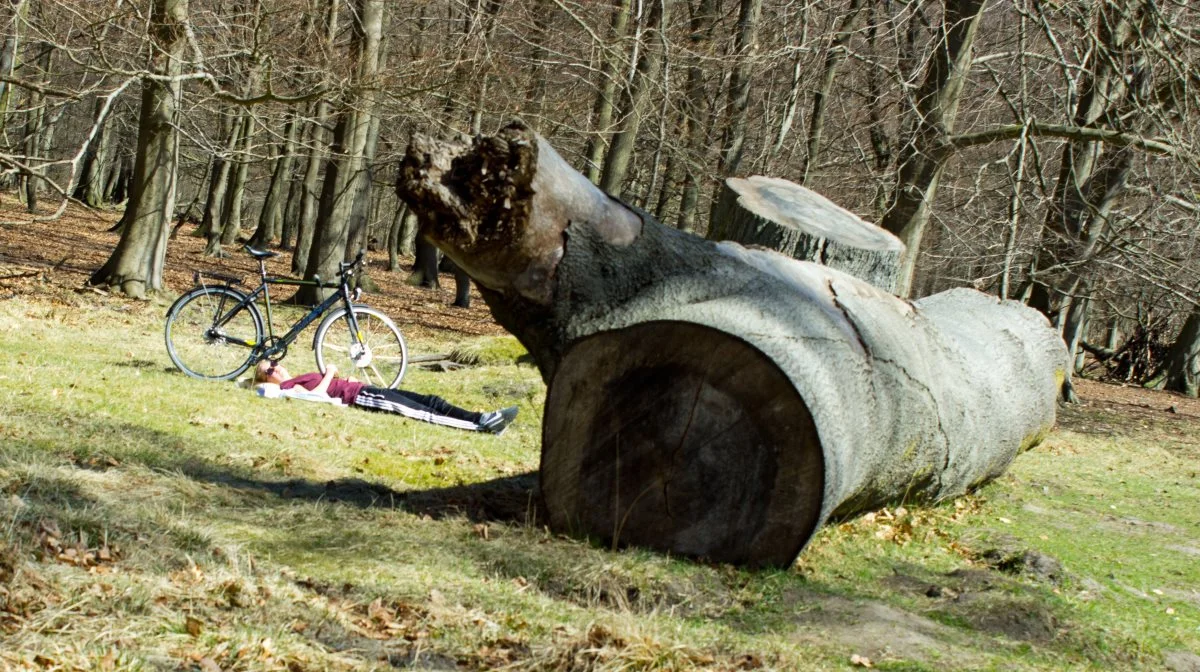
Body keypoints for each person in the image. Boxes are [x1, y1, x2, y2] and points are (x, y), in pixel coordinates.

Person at [253, 360, 518, 434]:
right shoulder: (287, 387)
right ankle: (482, 426)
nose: (277, 367)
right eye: (270, 369)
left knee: (431, 400)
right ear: (267, 379)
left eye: (274, 362)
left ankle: (482, 416)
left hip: (364, 388)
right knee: (422, 412)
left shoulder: (295, 376)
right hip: (362, 397)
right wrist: (330, 373)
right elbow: (315, 397)